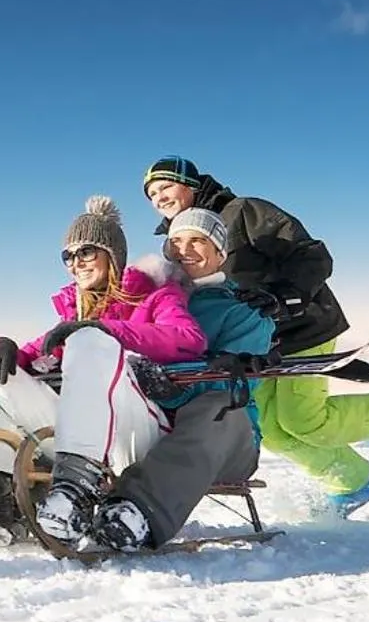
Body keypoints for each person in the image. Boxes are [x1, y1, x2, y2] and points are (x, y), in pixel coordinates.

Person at [0, 196, 206, 543]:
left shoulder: (156, 296)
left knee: (90, 341)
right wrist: (3, 346)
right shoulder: (75, 315)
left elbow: (188, 339)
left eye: (86, 252)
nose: (75, 263)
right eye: (68, 256)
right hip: (78, 434)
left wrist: (105, 330)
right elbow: (30, 354)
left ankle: (76, 493)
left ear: (112, 255)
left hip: (136, 432)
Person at [140, 156, 369, 516]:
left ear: (191, 185)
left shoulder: (243, 212)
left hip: (304, 326)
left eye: (165, 186)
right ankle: (351, 481)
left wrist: (286, 295)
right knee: (271, 428)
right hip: (257, 341)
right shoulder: (179, 240)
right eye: (151, 194)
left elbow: (311, 255)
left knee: (302, 419)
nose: (159, 197)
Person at [71, 207, 275, 551]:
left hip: (227, 439)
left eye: (197, 240)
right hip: (150, 425)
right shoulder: (149, 297)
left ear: (221, 253)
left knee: (219, 407)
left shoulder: (245, 311)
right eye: (176, 241)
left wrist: (173, 387)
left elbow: (238, 384)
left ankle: (138, 511)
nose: (184, 249)